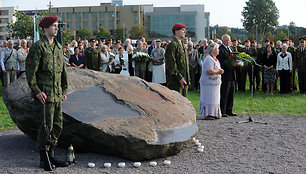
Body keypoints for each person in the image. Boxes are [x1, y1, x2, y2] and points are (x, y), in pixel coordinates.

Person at [25, 16, 68, 171]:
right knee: (45, 127)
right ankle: (44, 158)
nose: (57, 28)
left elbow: (63, 71)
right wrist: (36, 91)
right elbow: (31, 73)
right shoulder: (38, 47)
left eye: (57, 26)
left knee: (57, 125)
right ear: (45, 28)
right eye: (54, 26)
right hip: (44, 94)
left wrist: (64, 89)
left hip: (57, 94)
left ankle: (52, 154)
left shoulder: (58, 47)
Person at [198, 43, 224, 120]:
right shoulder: (208, 59)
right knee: (209, 98)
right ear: (212, 50)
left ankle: (214, 113)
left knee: (215, 98)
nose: (218, 50)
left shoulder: (216, 59)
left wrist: (220, 71)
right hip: (208, 83)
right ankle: (208, 114)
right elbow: (209, 71)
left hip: (215, 83)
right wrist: (218, 71)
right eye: (217, 49)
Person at [165, 23, 190, 97]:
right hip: (175, 82)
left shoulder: (183, 45)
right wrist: (180, 78)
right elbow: (171, 65)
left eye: (185, 30)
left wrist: (186, 78)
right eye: (182, 30)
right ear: (176, 31)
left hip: (184, 80)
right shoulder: (172, 45)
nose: (184, 31)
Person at [217, 34, 237, 117]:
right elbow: (222, 62)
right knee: (224, 93)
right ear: (223, 41)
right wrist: (231, 63)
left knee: (231, 93)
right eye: (227, 40)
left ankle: (229, 110)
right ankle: (223, 110)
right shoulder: (221, 49)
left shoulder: (230, 48)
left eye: (229, 40)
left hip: (232, 74)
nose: (229, 42)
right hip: (225, 75)